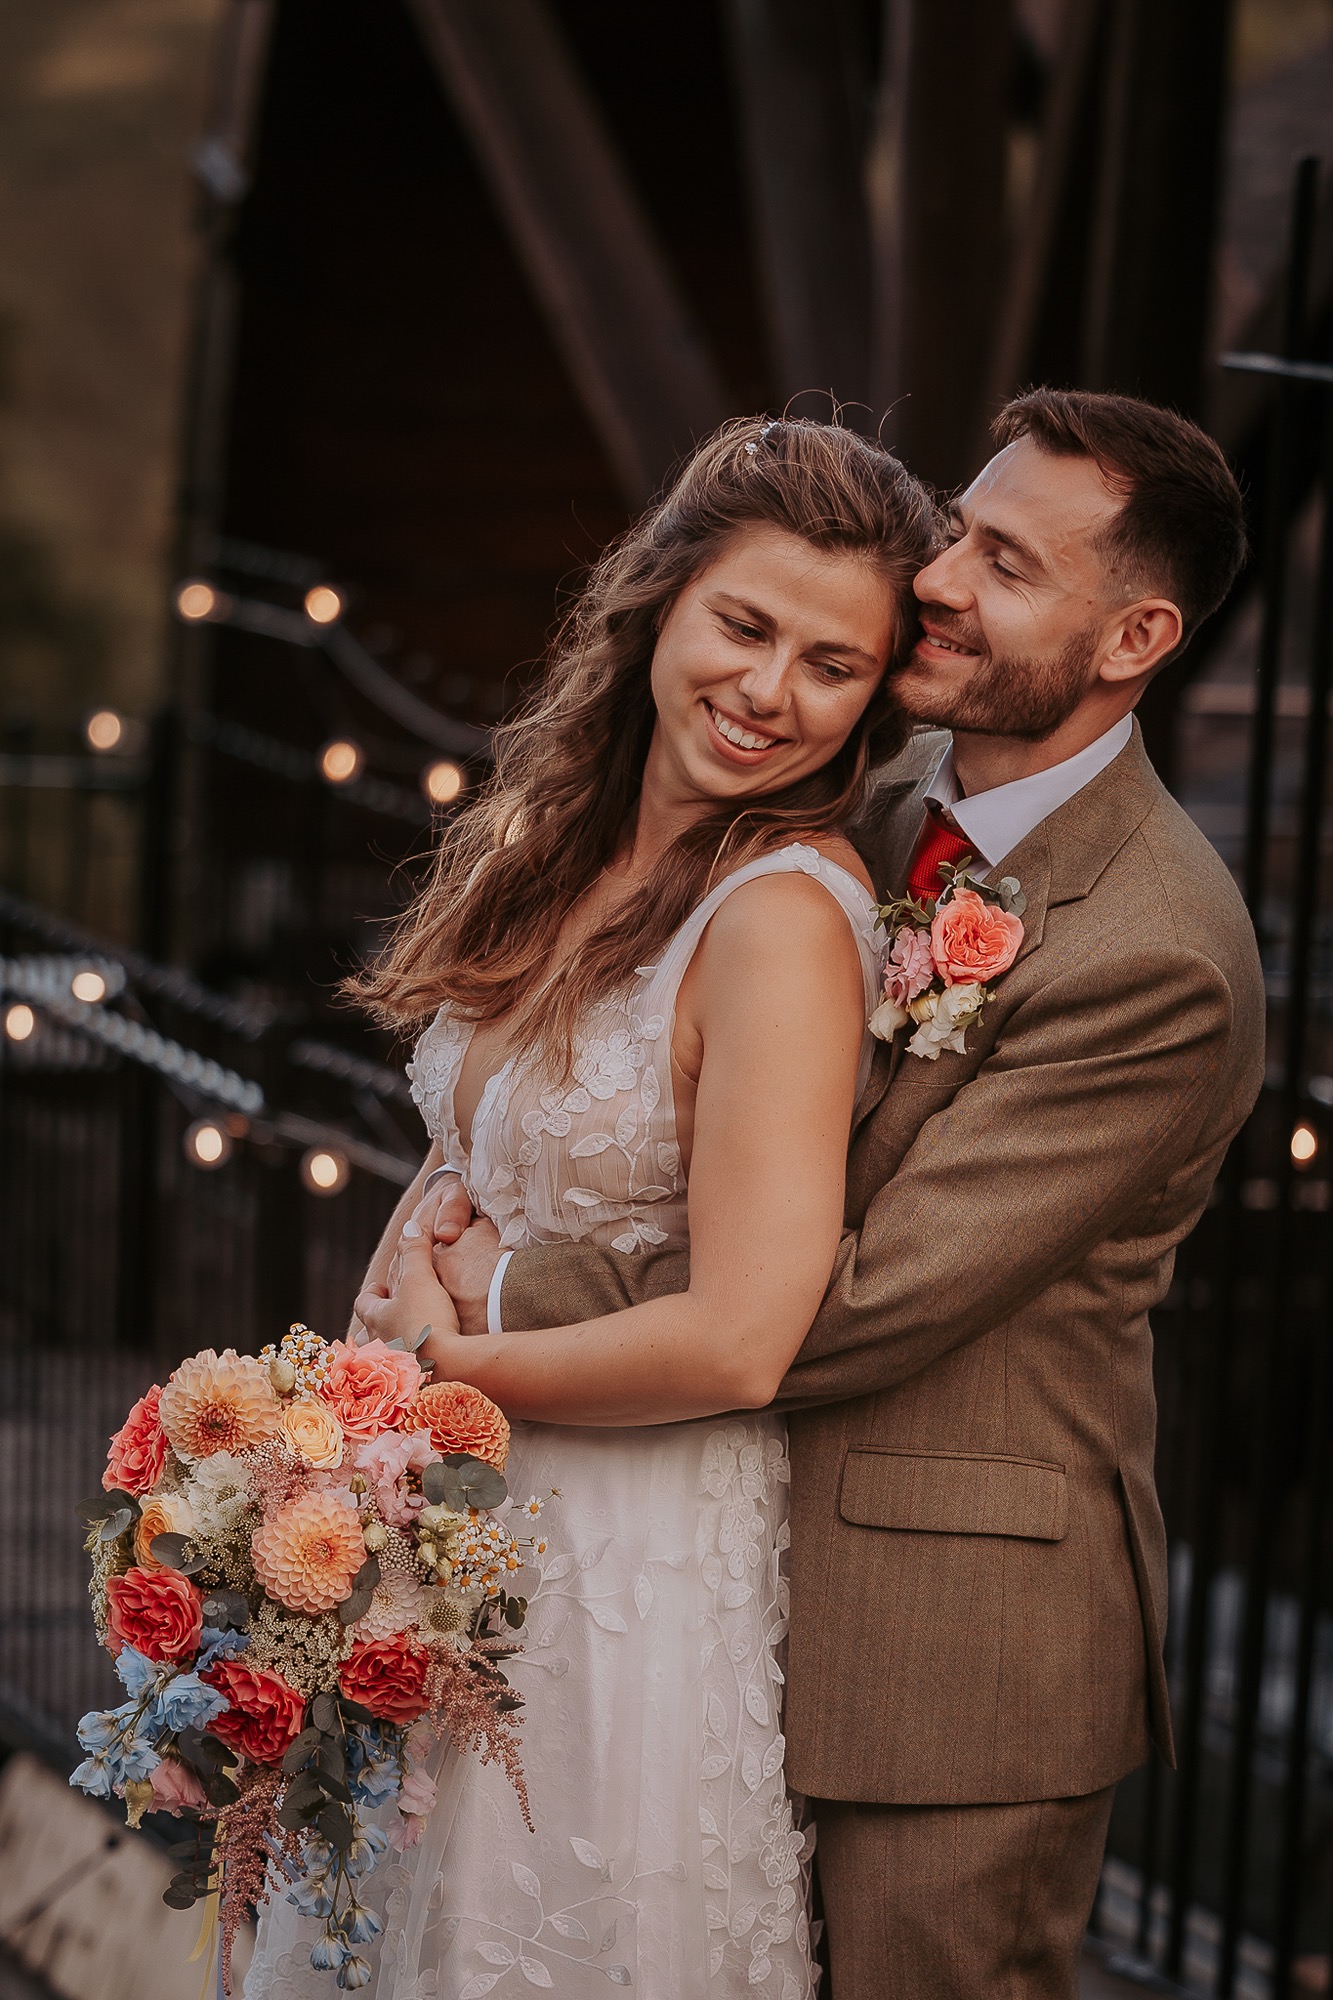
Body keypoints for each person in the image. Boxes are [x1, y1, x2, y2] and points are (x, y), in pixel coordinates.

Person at [370, 390, 1266, 1999]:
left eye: (999, 560)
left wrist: (487, 1300)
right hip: (688, 1585)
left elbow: (846, 1300)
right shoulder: (865, 788)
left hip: (943, 1655)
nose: (935, 580)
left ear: (1131, 636)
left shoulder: (1159, 953)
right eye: (957, 530)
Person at [241, 414, 939, 2000]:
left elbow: (743, 1338)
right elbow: (456, 1169)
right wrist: (326, 1445)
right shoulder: (570, 851)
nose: (769, 694)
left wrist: (448, 1366)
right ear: (661, 604)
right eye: (744, 627)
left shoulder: (778, 922)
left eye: (831, 667)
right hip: (442, 1511)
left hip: (618, 1555)